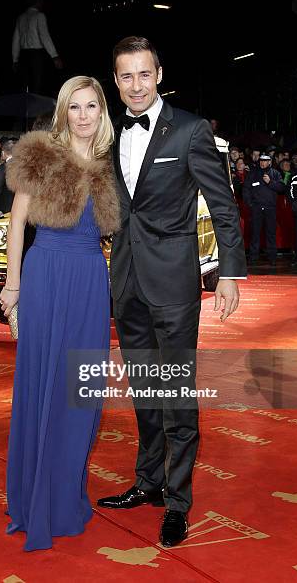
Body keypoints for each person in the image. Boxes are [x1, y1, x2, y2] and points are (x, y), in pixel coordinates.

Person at [97, 36, 247, 548]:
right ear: (115, 82)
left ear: (159, 74)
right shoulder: (109, 134)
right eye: (125, 77)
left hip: (174, 282)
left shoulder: (190, 129)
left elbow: (222, 206)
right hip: (127, 279)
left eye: (144, 74)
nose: (136, 86)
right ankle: (148, 482)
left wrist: (230, 273)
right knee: (144, 389)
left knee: (176, 393)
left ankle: (178, 502)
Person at [0, 75, 120, 551]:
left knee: (81, 393)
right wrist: (14, 286)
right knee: (44, 387)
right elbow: (16, 220)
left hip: (91, 281)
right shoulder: (41, 154)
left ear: (102, 112)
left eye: (92, 106)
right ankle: (37, 499)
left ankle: (66, 494)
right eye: (76, 107)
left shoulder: (111, 166)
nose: (85, 115)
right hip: (47, 274)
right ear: (64, 112)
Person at [12, 0, 63, 95]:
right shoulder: (40, 16)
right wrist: (55, 56)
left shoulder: (20, 17)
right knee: (37, 86)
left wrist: (15, 59)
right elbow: (45, 36)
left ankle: (27, 109)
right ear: (37, 1)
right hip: (36, 55)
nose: (42, 3)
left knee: (25, 85)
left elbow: (15, 40)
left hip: (23, 56)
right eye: (41, 0)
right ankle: (37, 109)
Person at [243, 153, 286, 266]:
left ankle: (272, 257)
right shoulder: (252, 174)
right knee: (255, 233)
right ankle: (253, 257)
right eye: (261, 160)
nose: (262, 163)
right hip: (256, 208)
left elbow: (282, 188)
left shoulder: (275, 173)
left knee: (271, 233)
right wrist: (250, 204)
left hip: (270, 208)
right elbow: (246, 189)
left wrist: (270, 182)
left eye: (265, 161)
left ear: (269, 162)